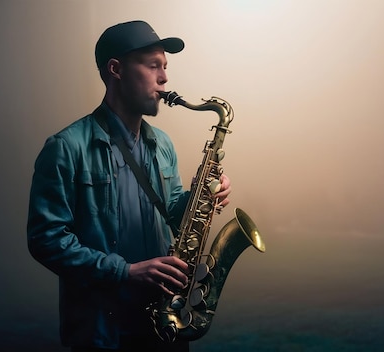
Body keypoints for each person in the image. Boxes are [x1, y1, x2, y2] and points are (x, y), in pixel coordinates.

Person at [27, 20, 231, 352]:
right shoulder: (65, 147)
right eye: (153, 66)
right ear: (116, 69)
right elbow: (46, 240)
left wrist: (202, 196)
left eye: (165, 67)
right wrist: (126, 272)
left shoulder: (162, 143)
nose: (164, 78)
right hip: (105, 331)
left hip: (167, 323)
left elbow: (172, 217)